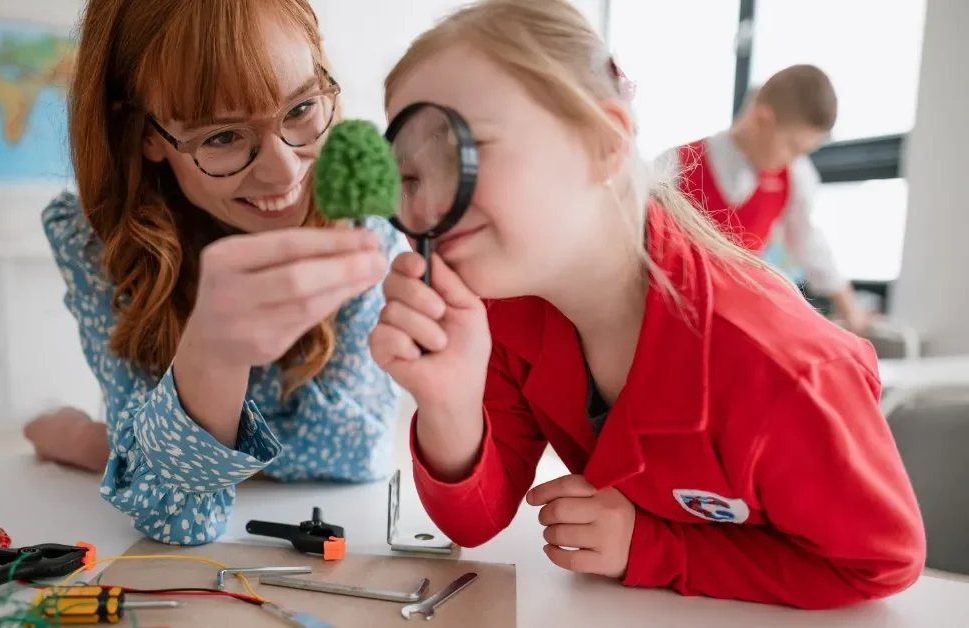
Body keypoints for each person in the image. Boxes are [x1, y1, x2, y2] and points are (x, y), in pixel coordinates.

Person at [370, 0, 924, 610]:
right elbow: (474, 523)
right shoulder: (507, 306)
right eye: (412, 178)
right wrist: (448, 404)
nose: (425, 210)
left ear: (604, 142)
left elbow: (878, 563)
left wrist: (655, 548)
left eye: (462, 150)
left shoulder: (782, 371)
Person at [25, 0, 405, 545]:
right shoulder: (95, 241)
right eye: (223, 137)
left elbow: (357, 452)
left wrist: (108, 446)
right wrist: (213, 358)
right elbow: (177, 518)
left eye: (300, 110)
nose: (283, 171)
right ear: (146, 135)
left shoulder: (365, 217)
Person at [658, 65, 875, 334]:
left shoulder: (795, 176)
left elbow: (807, 240)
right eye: (793, 147)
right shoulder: (676, 166)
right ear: (761, 119)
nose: (795, 158)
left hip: (738, 320)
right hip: (676, 315)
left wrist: (847, 305)